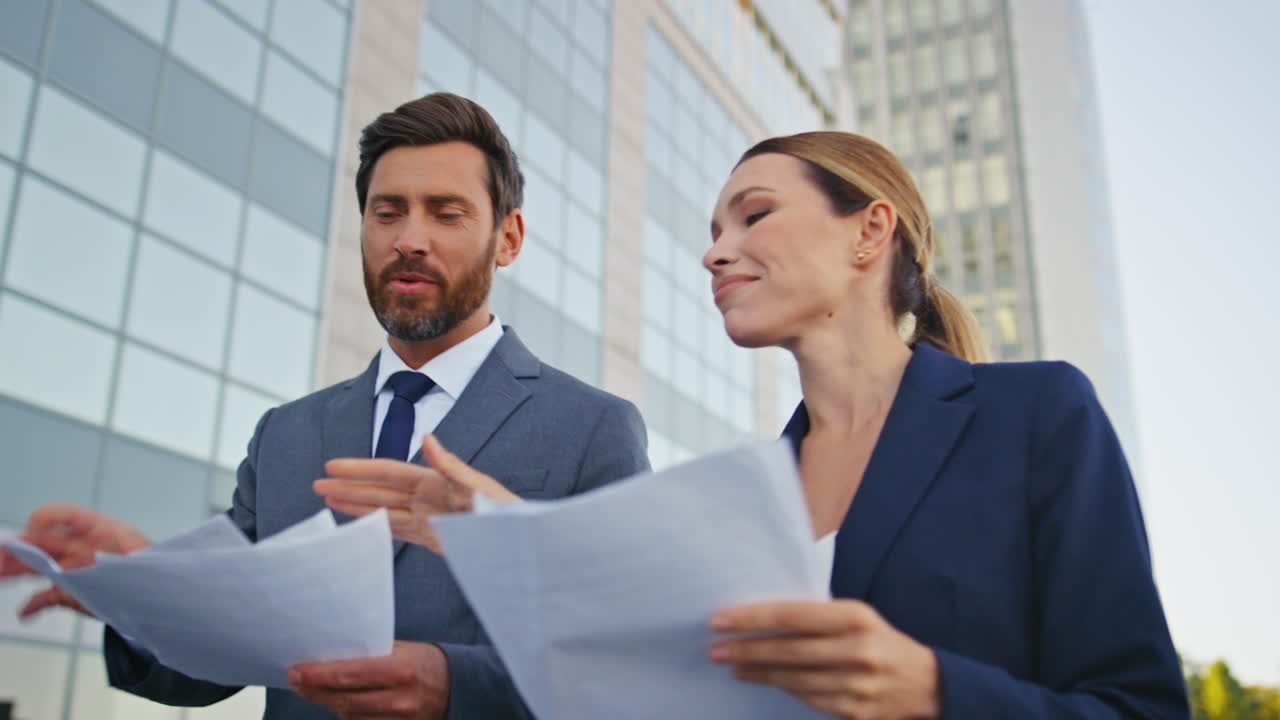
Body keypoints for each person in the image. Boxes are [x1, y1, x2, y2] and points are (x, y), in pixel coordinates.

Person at [322, 130, 1189, 719]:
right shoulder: (744, 491)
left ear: (869, 231)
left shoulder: (1034, 416)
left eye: (755, 214)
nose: (714, 250)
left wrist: (930, 689)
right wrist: (505, 536)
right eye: (712, 230)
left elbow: (1137, 704)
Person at [0, 93, 649, 720]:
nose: (409, 240)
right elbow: (212, 662)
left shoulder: (593, 428)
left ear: (508, 239)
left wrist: (454, 684)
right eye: (387, 212)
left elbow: (627, 665)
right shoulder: (285, 434)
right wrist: (139, 591)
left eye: (445, 213)